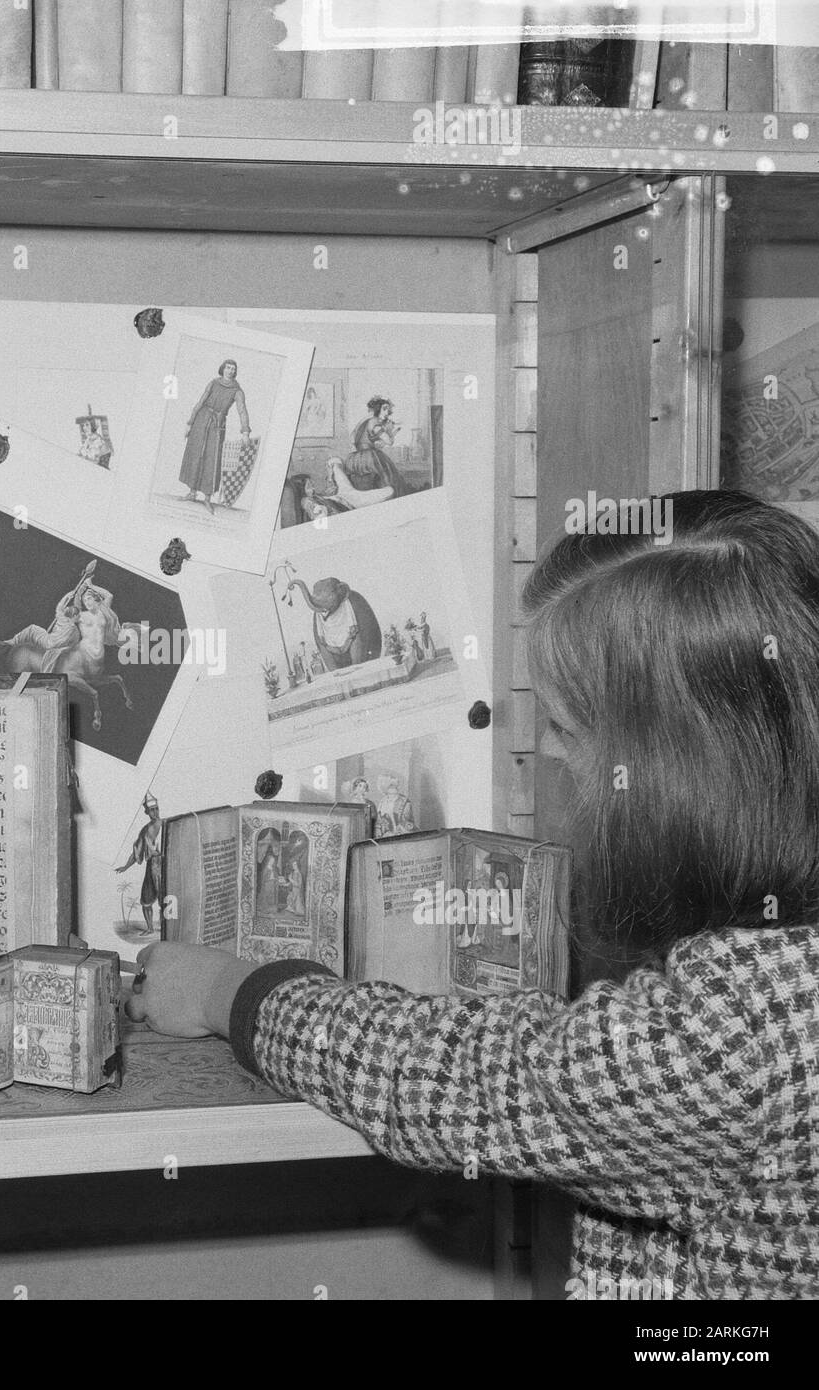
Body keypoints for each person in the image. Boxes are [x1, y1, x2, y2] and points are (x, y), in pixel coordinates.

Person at [126, 490, 819, 1298]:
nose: (555, 759)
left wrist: (226, 990)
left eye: (565, 729)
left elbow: (479, 1080)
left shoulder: (738, 1039)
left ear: (671, 776)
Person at [180, 360, 250, 514]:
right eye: (228, 367)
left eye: (233, 368)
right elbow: (201, 402)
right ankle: (192, 492)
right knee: (196, 455)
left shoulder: (237, 391)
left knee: (212, 459)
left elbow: (242, 410)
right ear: (223, 369)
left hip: (217, 425)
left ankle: (207, 498)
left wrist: (245, 432)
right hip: (201, 420)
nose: (230, 370)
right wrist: (190, 423)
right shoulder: (213, 383)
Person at [116, 793, 164, 934]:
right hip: (152, 866)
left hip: (164, 864)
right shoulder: (145, 830)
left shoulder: (167, 825)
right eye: (152, 810)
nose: (155, 812)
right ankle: (150, 928)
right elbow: (137, 850)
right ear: (147, 812)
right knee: (146, 899)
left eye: (156, 809)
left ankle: (165, 928)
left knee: (165, 897)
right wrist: (125, 866)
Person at [344, 396, 408, 494]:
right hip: (369, 459)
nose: (387, 412)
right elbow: (389, 442)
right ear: (378, 409)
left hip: (355, 458)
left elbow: (356, 440)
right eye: (384, 409)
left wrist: (389, 430)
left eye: (388, 409)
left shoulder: (365, 421)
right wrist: (390, 430)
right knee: (389, 482)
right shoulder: (374, 421)